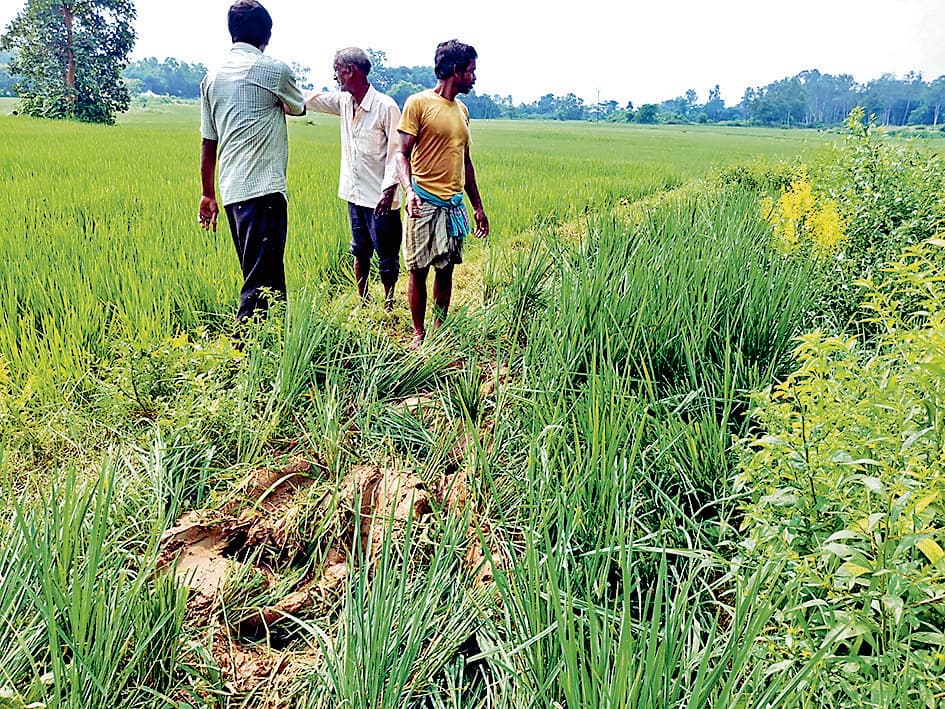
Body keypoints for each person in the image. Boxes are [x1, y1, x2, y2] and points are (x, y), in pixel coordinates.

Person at [198, 0, 306, 323]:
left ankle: (276, 349)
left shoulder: (211, 78)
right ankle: (242, 358)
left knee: (265, 276)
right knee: (261, 285)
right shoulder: (274, 70)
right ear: (267, 36)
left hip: (232, 194)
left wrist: (207, 194)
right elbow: (298, 107)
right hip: (264, 193)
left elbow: (208, 141)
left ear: (232, 33)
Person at [395, 39, 489, 349]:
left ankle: (441, 329)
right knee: (418, 270)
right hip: (423, 201)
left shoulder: (462, 110)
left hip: (452, 205)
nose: (474, 78)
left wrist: (477, 207)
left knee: (446, 268)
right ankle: (419, 334)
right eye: (471, 71)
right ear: (455, 71)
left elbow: (466, 160)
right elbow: (401, 154)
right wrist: (408, 191)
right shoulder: (418, 104)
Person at [306, 48, 403, 310]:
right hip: (354, 194)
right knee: (359, 249)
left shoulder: (386, 107)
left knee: (387, 257)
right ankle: (362, 300)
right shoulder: (344, 102)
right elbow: (313, 99)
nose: (335, 76)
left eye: (337, 70)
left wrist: (388, 191)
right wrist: (281, 94)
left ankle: (389, 302)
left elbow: (398, 153)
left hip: (382, 199)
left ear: (350, 71)